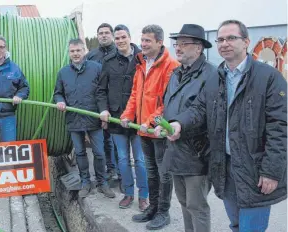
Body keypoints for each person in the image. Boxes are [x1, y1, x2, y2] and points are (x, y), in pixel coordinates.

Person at [161, 20, 287, 232]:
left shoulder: (268, 77)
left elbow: (280, 127)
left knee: (251, 228)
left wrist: (272, 171)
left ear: (246, 42)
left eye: (231, 38)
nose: (224, 43)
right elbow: (199, 110)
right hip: (226, 166)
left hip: (255, 169)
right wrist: (179, 124)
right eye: (220, 39)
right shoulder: (216, 78)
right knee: (236, 224)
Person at [120, 24, 179, 230]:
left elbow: (168, 101)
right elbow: (136, 95)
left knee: (164, 173)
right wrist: (128, 115)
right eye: (142, 39)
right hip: (143, 129)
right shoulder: (141, 65)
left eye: (148, 41)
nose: (143, 44)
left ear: (159, 42)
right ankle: (153, 208)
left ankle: (163, 212)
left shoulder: (170, 66)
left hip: (158, 129)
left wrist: (150, 121)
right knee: (151, 172)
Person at [160, 24, 216, 232]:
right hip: (175, 150)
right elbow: (168, 106)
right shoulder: (176, 74)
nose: (178, 48)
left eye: (185, 44)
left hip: (197, 153)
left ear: (199, 48)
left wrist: (178, 125)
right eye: (177, 43)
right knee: (183, 202)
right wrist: (162, 125)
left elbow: (202, 112)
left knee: (197, 205)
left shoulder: (211, 75)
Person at [53, 38, 115, 198]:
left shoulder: (97, 68)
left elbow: (104, 93)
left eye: (78, 50)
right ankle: (85, 182)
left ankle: (102, 183)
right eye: (72, 51)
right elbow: (58, 92)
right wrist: (60, 101)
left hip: (93, 117)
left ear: (84, 51)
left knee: (99, 153)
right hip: (74, 119)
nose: (75, 54)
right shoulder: (63, 72)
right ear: (69, 53)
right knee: (80, 153)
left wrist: (104, 113)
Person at [97, 24, 149, 210]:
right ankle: (128, 193)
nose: (120, 41)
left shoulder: (142, 59)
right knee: (123, 159)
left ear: (129, 37)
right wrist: (104, 110)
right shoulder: (109, 61)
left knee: (141, 160)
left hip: (138, 118)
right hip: (117, 118)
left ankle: (143, 195)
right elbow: (101, 90)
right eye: (117, 38)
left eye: (122, 37)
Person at [86, 23, 119, 181]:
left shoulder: (119, 52)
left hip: (117, 102)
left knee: (119, 139)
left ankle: (120, 170)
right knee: (105, 137)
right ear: (97, 36)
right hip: (100, 103)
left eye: (107, 33)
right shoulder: (91, 56)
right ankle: (110, 168)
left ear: (112, 35)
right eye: (101, 33)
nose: (104, 35)